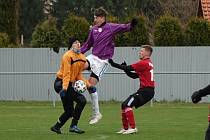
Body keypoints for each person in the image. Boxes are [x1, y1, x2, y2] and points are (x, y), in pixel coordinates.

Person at [81, 7, 138, 125]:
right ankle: (72, 89)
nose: (95, 20)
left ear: (102, 18)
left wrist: (132, 25)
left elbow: (124, 27)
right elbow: (87, 44)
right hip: (93, 57)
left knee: (90, 86)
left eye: (96, 18)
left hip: (102, 62)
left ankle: (96, 114)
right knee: (78, 65)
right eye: (94, 18)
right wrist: (76, 54)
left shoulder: (111, 27)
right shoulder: (93, 30)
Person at [108, 45, 155, 134]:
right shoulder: (148, 63)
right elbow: (133, 76)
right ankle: (125, 128)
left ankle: (133, 128)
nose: (139, 52)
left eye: (141, 51)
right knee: (124, 105)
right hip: (145, 91)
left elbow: (128, 68)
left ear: (147, 53)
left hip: (146, 91)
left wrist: (113, 64)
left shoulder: (143, 63)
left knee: (127, 105)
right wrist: (125, 69)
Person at [50, 37, 90, 134]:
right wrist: (64, 89)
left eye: (79, 42)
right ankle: (73, 126)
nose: (78, 44)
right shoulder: (67, 56)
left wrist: (88, 85)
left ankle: (56, 127)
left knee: (69, 111)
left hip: (67, 85)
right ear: (71, 45)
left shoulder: (82, 58)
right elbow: (66, 74)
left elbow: (78, 75)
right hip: (60, 83)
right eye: (75, 42)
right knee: (82, 100)